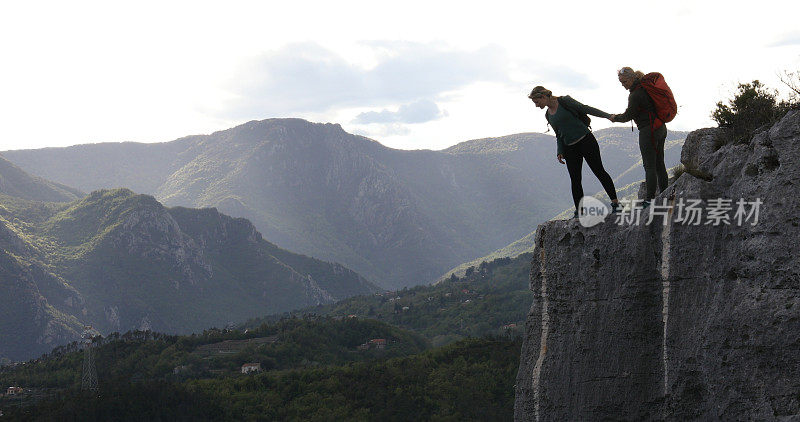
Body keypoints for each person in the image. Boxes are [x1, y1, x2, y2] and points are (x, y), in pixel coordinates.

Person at [528, 86, 620, 218]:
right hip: (570, 147)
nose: (536, 106)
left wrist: (608, 116)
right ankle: (580, 212)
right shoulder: (548, 115)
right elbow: (558, 134)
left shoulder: (565, 101)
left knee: (599, 171)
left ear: (543, 97)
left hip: (586, 140)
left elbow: (585, 108)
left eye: (537, 102)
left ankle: (616, 203)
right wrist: (560, 151)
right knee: (575, 179)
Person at [609, 67, 668, 208]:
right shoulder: (646, 88)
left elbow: (628, 115)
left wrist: (615, 118)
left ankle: (649, 200)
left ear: (631, 78)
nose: (623, 85)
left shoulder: (635, 94)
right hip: (660, 128)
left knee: (649, 166)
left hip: (649, 131)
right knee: (659, 163)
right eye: (621, 82)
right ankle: (665, 194)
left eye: (624, 81)